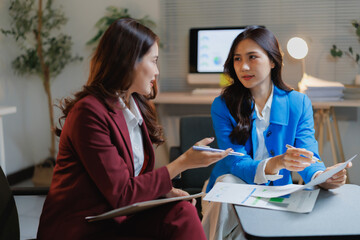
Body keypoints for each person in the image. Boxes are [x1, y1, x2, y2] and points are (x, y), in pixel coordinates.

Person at [36, 18, 232, 240]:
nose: (157, 71)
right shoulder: (88, 113)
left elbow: (132, 174)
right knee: (180, 215)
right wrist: (183, 163)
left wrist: (165, 190)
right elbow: (122, 192)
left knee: (182, 211)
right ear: (129, 61)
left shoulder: (133, 104)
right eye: (154, 61)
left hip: (117, 216)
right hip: (87, 226)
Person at [201, 26, 352, 240]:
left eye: (252, 57)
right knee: (228, 181)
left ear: (272, 61)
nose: (243, 66)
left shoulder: (297, 103)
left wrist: (323, 177)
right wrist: (276, 163)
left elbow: (308, 154)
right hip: (228, 193)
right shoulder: (222, 105)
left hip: (275, 194)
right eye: (237, 59)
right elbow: (234, 162)